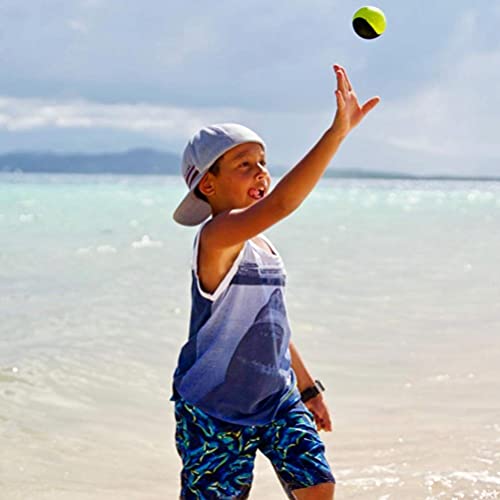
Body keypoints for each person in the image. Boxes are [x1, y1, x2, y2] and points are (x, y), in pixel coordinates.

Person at [171, 64, 379, 499]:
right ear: (207, 184)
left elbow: (273, 323)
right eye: (244, 165)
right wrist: (336, 132)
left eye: (263, 162)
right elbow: (284, 202)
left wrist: (307, 386)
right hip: (214, 409)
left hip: (275, 398)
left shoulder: (262, 248)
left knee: (318, 488)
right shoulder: (215, 237)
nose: (261, 172)